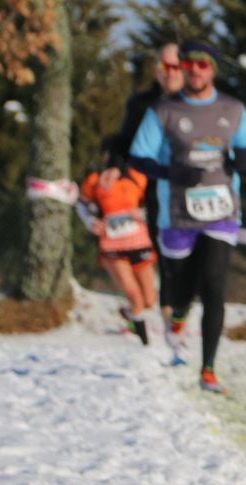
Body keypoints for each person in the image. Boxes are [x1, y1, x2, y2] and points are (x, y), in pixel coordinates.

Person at [130, 38, 246, 392]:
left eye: (203, 64)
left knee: (214, 285)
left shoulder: (232, 108)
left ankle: (209, 369)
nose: (195, 70)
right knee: (183, 288)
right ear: (182, 68)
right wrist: (171, 173)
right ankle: (179, 316)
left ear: (213, 69)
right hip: (177, 215)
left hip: (222, 210)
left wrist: (243, 159)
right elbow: (139, 157)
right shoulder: (164, 110)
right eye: (188, 64)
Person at [76, 138, 159, 344]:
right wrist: (91, 222)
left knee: (149, 300)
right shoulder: (95, 180)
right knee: (135, 296)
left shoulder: (137, 178)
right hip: (112, 243)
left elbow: (154, 202)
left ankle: (131, 315)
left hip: (138, 240)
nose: (105, 158)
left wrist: (142, 213)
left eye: (107, 153)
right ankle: (143, 342)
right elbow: (81, 204)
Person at [103, 42, 185, 242]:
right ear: (155, 70)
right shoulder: (142, 104)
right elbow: (125, 142)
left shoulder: (202, 103)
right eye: (165, 66)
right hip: (155, 188)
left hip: (194, 186)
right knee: (166, 250)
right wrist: (114, 165)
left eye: (177, 67)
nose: (171, 73)